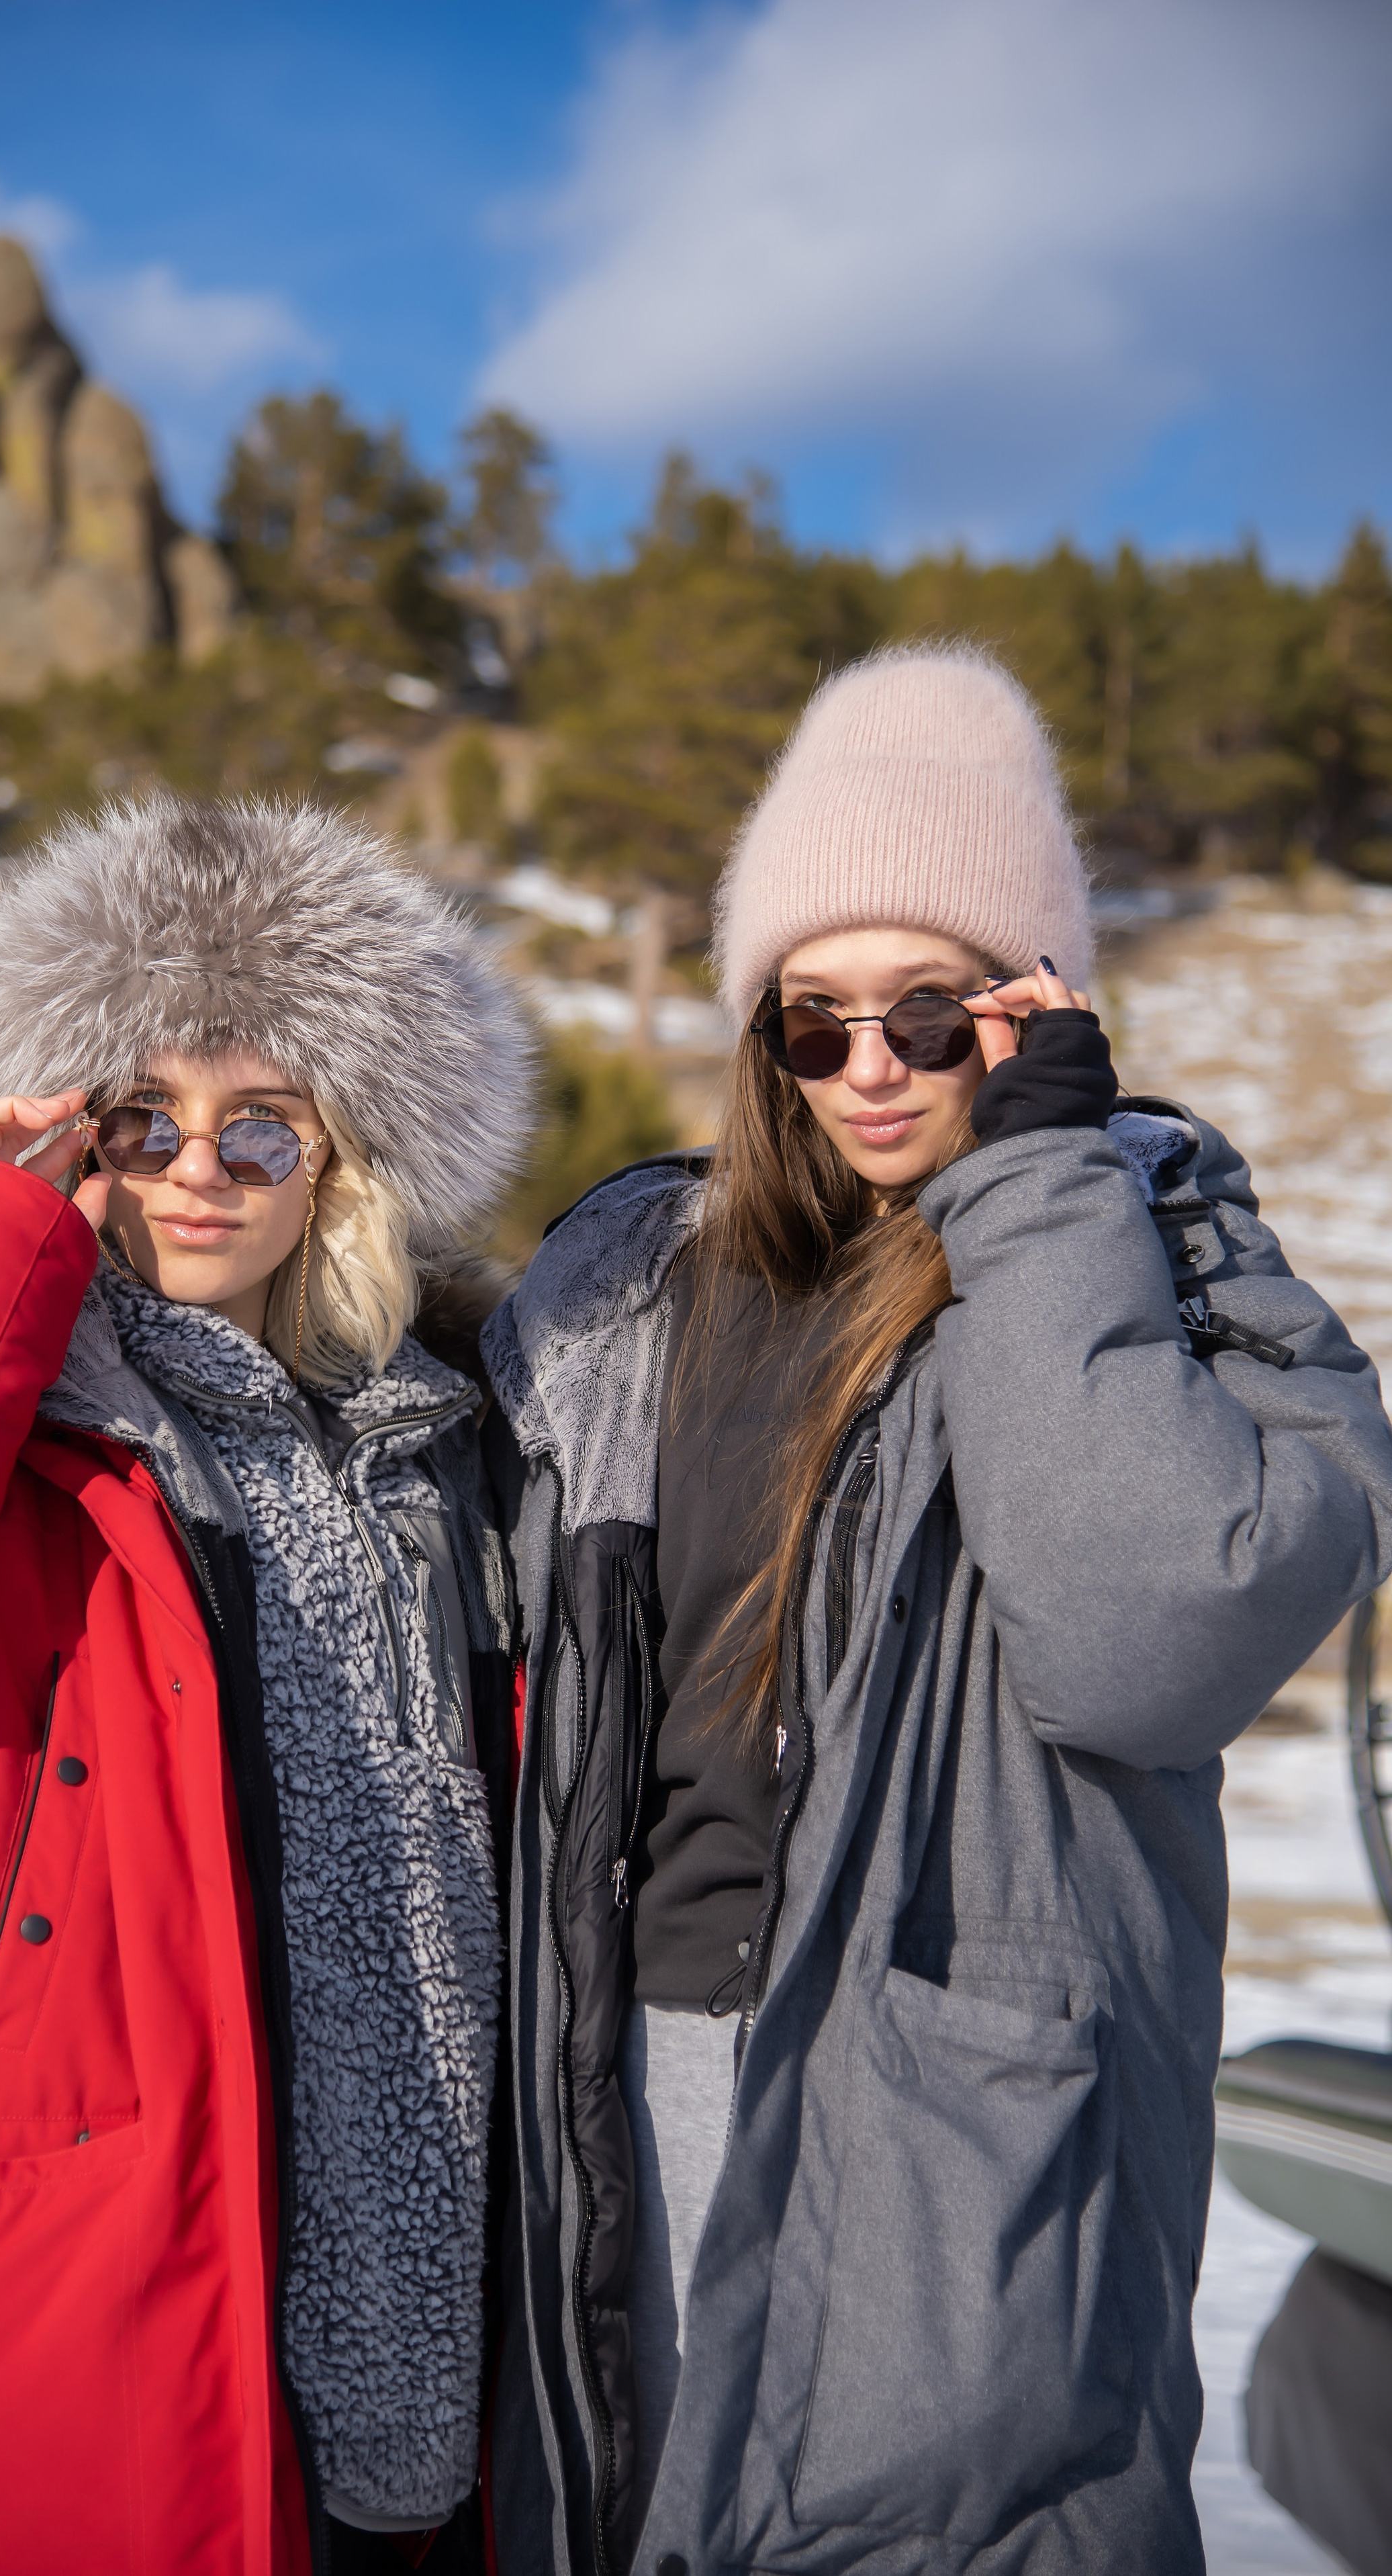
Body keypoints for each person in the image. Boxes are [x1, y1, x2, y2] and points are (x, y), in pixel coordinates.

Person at [480, 648, 1392, 2575]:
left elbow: (1149, 1633)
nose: (871, 1067)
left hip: (958, 2149)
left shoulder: (1178, 1268)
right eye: (815, 1022)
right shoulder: (637, 1282)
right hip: (630, 2101)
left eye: (930, 1009)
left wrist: (1057, 1180)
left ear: (1039, 1003)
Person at [0, 795, 530, 2575]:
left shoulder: (446, 1455)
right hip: (33, 2349)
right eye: (140, 1119)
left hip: (403, 2395)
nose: (198, 1166)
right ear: (71, 1139)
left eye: (261, 1127)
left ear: (343, 1164)